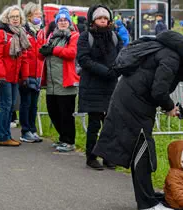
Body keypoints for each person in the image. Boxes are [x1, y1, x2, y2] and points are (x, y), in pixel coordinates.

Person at [92, 30, 183, 210]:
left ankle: (147, 196)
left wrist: (167, 105)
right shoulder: (172, 58)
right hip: (134, 105)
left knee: (140, 151)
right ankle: (146, 204)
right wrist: (170, 107)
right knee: (143, 152)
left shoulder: (166, 51)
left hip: (132, 100)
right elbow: (158, 91)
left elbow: (153, 86)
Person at [77, 5, 123, 170]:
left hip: (111, 85)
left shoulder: (115, 37)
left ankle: (108, 156)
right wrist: (105, 71)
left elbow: (121, 56)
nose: (103, 21)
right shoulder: (85, 37)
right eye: (99, 18)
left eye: (105, 18)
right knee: (94, 123)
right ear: (93, 20)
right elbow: (83, 59)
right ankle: (91, 156)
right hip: (92, 85)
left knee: (110, 124)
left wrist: (115, 71)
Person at [38, 7, 79, 152]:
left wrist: (53, 50)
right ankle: (62, 138)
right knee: (53, 112)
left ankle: (69, 141)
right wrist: (42, 51)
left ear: (69, 22)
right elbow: (43, 56)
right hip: (51, 83)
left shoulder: (74, 36)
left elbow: (71, 53)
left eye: (65, 20)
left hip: (66, 82)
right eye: (60, 20)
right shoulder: (52, 36)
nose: (62, 22)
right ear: (56, 22)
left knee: (66, 114)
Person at [0, 5, 30, 147]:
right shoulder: (0, 34)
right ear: (7, 18)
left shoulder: (20, 34)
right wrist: (1, 75)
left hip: (14, 77)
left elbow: (24, 57)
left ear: (21, 19)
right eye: (12, 17)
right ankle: (3, 136)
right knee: (5, 106)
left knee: (11, 105)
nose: (15, 19)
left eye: (17, 17)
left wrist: (24, 77)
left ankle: (6, 135)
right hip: (2, 77)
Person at [20, 2, 44, 143]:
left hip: (38, 73)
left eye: (40, 14)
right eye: (36, 14)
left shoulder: (40, 30)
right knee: (26, 103)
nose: (39, 16)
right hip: (27, 73)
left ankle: (32, 129)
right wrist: (24, 75)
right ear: (29, 16)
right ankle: (25, 130)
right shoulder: (24, 31)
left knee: (34, 104)